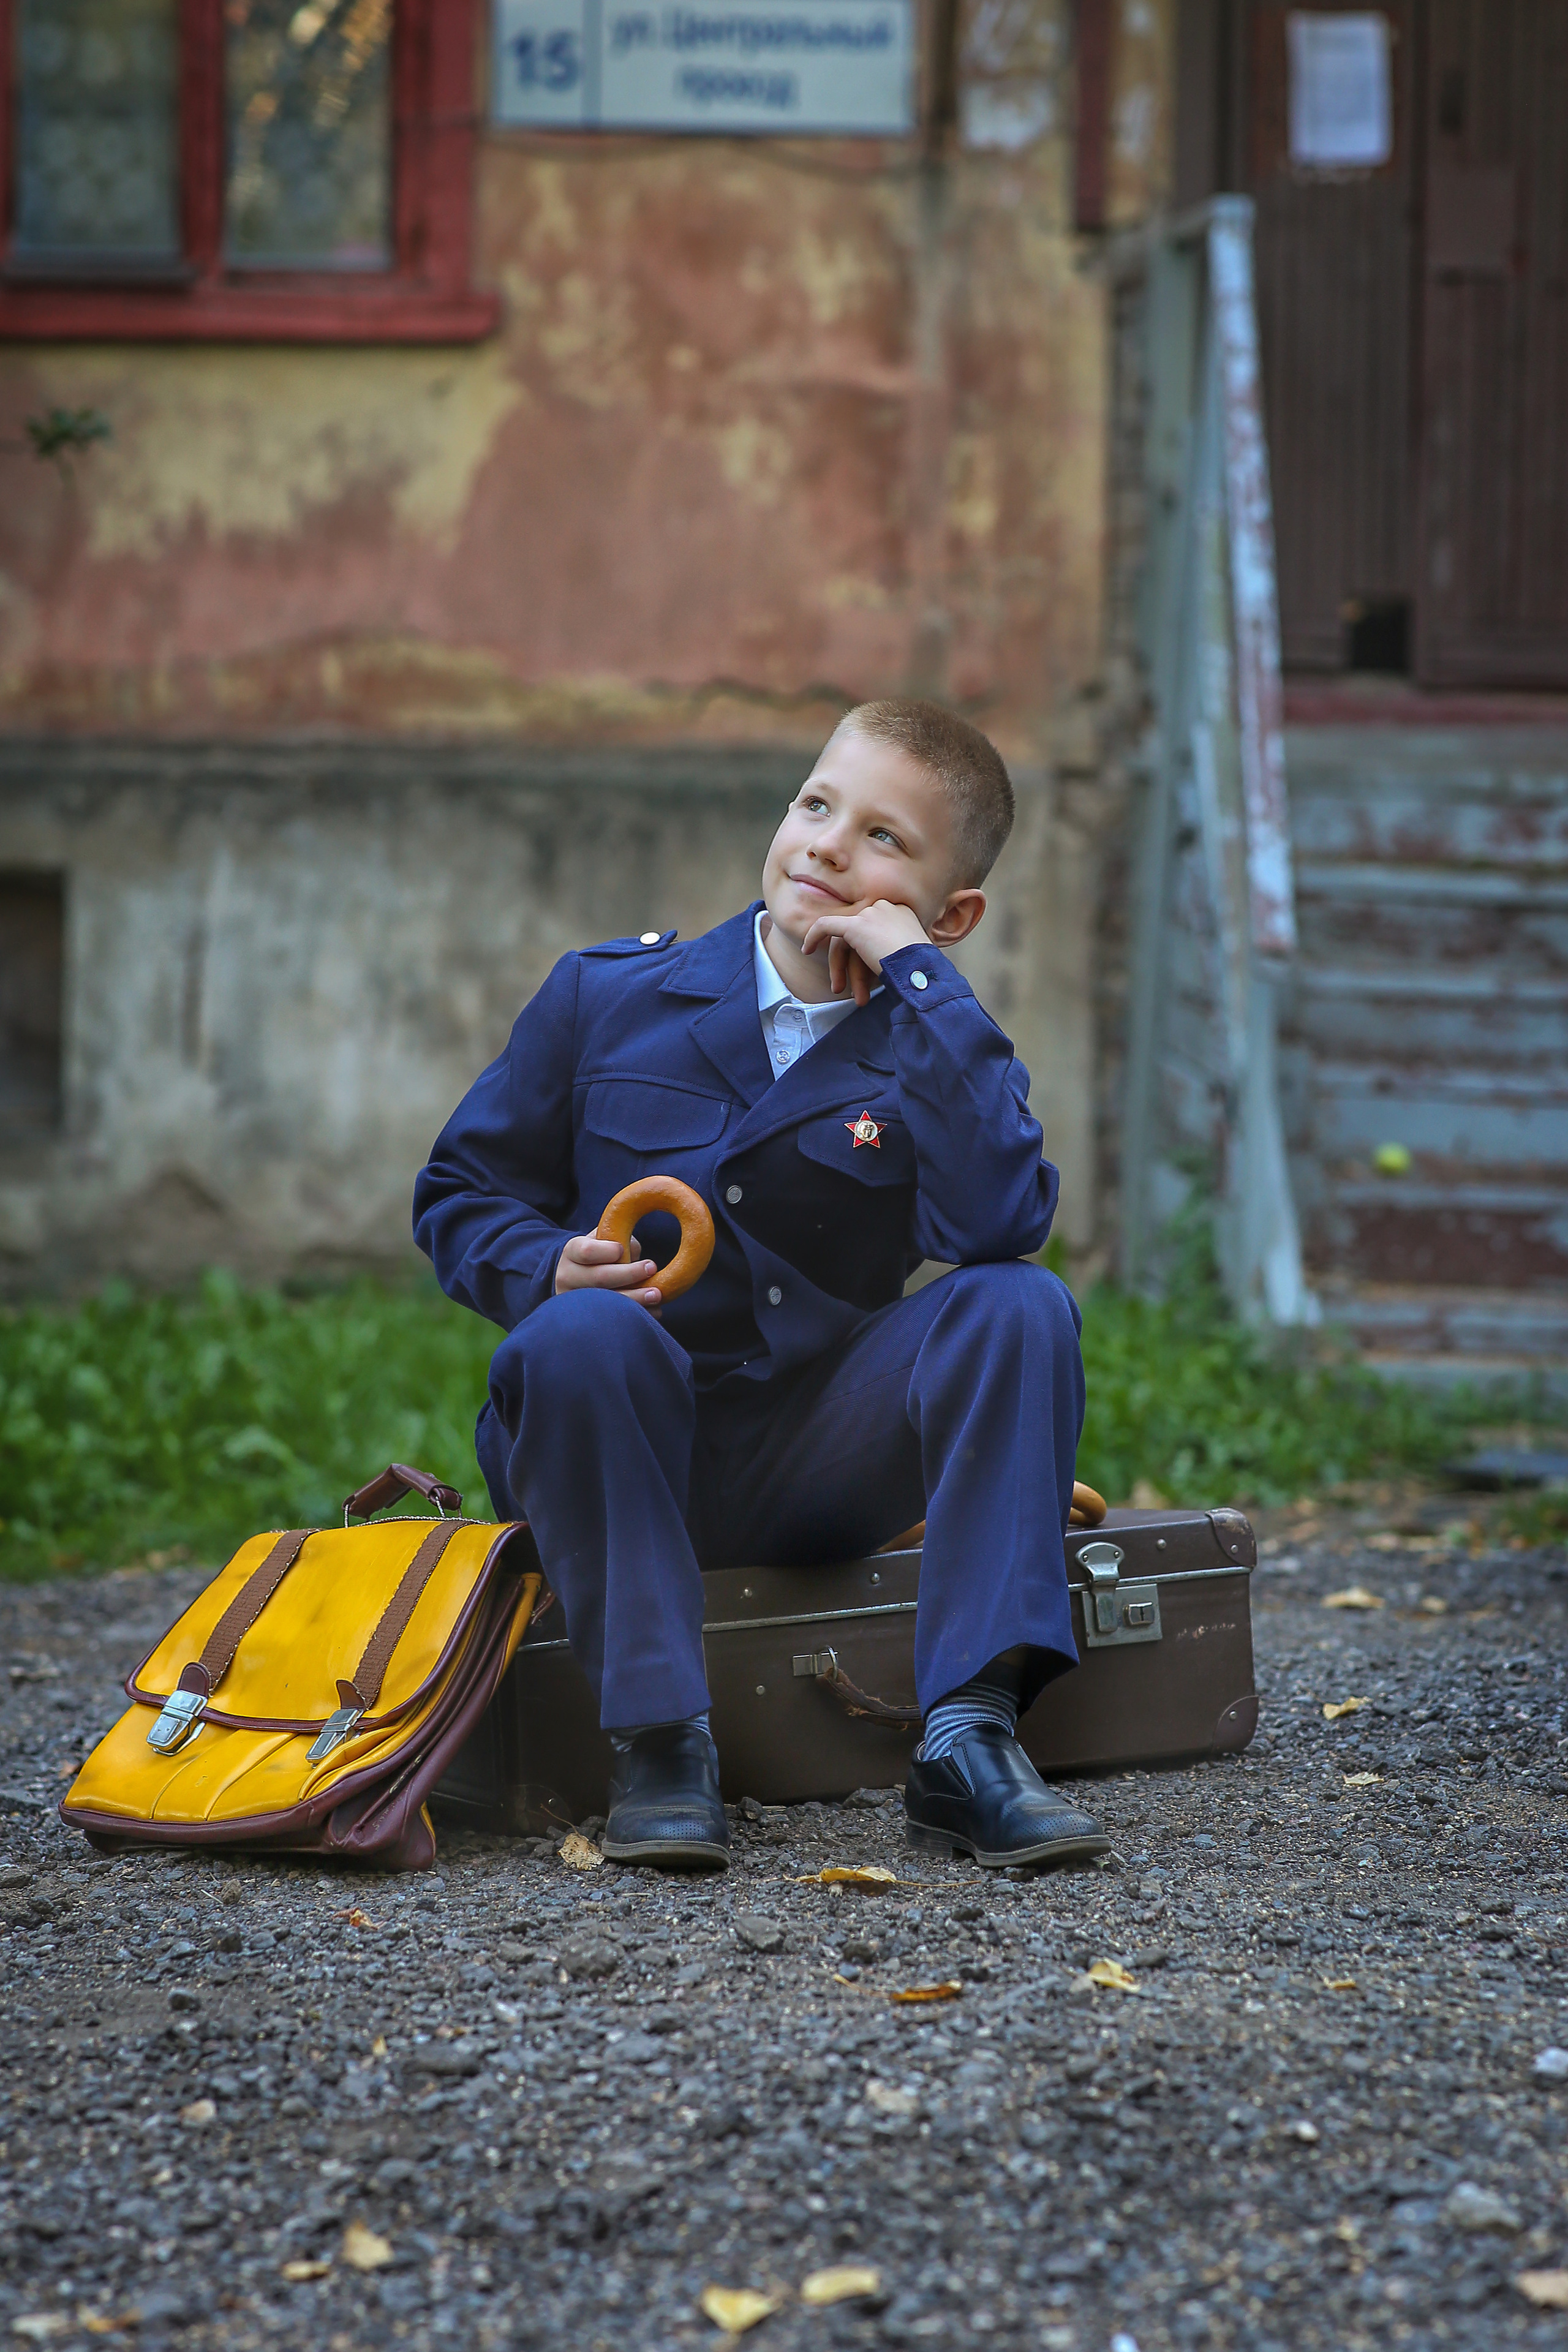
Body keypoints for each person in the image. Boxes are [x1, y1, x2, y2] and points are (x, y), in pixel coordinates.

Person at [414, 700, 1107, 1873]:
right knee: (581, 1339)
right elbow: (459, 1194)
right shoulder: (608, 997)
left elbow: (998, 1221)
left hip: (812, 1465)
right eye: (817, 805)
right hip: (618, 1445)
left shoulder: (930, 1047)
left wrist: (923, 985)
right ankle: (661, 1744)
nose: (830, 845)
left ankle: (968, 1737)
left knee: (1019, 1303)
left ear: (952, 914)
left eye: (886, 839)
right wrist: (543, 1265)